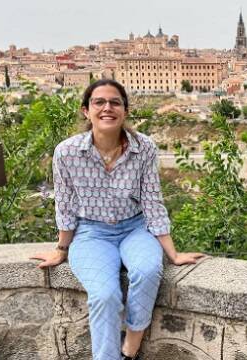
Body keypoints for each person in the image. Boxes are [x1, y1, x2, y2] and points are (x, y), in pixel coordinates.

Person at [31, 79, 204, 360]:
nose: (107, 108)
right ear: (86, 111)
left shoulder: (143, 147)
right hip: (91, 233)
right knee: (103, 296)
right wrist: (62, 249)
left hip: (135, 228)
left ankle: (131, 347)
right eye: (99, 102)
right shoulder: (67, 152)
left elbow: (152, 201)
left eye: (115, 102)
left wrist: (172, 252)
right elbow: (65, 204)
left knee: (148, 271)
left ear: (125, 110)